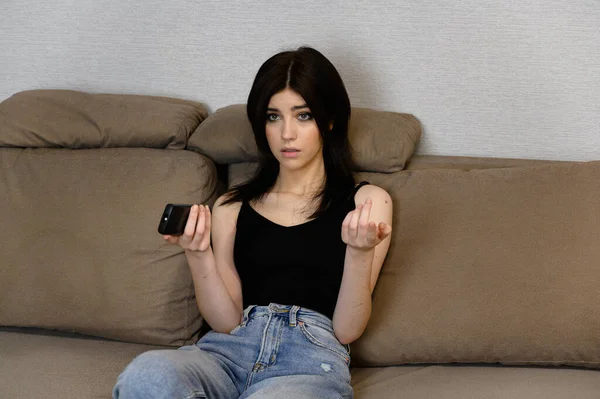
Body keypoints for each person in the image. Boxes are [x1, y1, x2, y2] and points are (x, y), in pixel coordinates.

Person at [113, 46, 393, 399]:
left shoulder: (367, 203)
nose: (286, 133)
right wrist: (198, 254)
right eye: (273, 117)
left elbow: (347, 329)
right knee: (147, 376)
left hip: (308, 359)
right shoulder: (231, 206)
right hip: (226, 354)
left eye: (303, 116)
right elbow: (226, 323)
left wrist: (359, 251)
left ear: (330, 120)